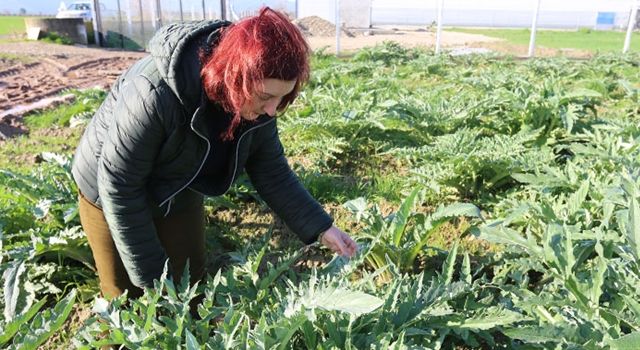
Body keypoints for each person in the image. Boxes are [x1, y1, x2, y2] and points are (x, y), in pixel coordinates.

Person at [72, 7, 358, 299]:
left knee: (190, 290)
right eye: (267, 97)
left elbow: (272, 172)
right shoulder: (154, 93)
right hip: (108, 193)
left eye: (283, 97)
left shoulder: (258, 110)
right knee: (127, 302)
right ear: (236, 78)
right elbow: (119, 185)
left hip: (179, 184)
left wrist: (323, 228)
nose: (273, 109)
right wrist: (154, 281)